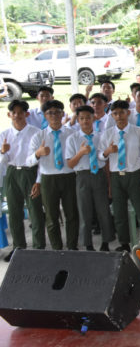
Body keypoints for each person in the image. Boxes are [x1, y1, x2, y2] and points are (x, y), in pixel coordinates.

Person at [99, 100, 140, 252]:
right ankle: (124, 243)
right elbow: (101, 156)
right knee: (119, 212)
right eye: (115, 113)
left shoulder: (139, 132)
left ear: (128, 113)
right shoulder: (108, 134)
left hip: (134, 175)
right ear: (112, 116)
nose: (119, 116)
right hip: (116, 176)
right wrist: (107, 151)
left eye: (122, 112)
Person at [27, 100, 80, 251]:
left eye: (57, 112)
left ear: (63, 114)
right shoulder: (39, 137)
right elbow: (29, 161)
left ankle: (72, 246)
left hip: (69, 177)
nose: (54, 116)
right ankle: (57, 248)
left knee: (72, 214)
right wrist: (38, 153)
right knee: (51, 217)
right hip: (48, 179)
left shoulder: (72, 134)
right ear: (45, 116)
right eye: (50, 113)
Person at [65, 105, 115, 252]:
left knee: (103, 211)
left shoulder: (101, 136)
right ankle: (88, 244)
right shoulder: (72, 139)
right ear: (78, 120)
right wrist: (80, 153)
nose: (85, 121)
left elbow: (104, 159)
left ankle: (106, 242)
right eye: (81, 118)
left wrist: (109, 181)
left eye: (88, 117)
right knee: (84, 212)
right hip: (82, 176)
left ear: (93, 118)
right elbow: (70, 164)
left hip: (99, 174)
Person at [0, 100, 46, 260]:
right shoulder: (4, 134)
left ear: (27, 114)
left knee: (35, 210)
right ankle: (19, 247)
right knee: (14, 212)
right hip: (12, 173)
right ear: (9, 115)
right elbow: (2, 162)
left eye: (21, 113)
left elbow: (41, 161)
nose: (18, 116)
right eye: (14, 113)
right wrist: (3, 152)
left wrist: (38, 181)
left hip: (30, 173)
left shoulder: (36, 132)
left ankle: (39, 246)